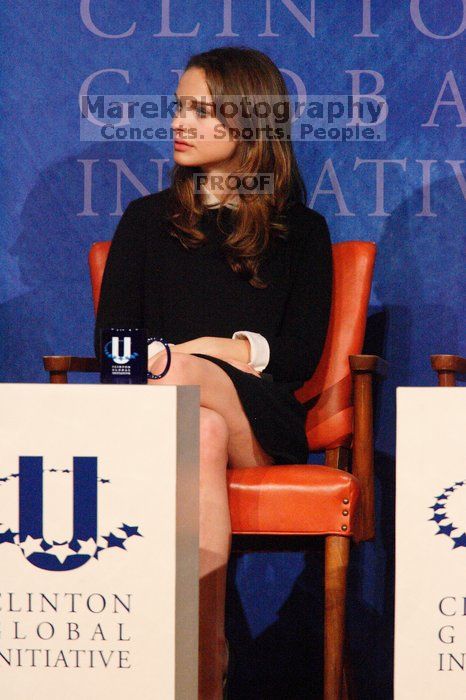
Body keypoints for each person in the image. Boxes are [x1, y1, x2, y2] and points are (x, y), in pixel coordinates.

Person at [94, 46, 333, 700]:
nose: (181, 122)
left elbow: (297, 358)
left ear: (249, 123)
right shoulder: (146, 221)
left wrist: (205, 352)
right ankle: (207, 655)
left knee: (191, 388)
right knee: (192, 430)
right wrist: (185, 364)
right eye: (179, 106)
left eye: (202, 110)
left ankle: (184, 369)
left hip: (258, 430)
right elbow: (114, 349)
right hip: (165, 426)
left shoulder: (300, 232)